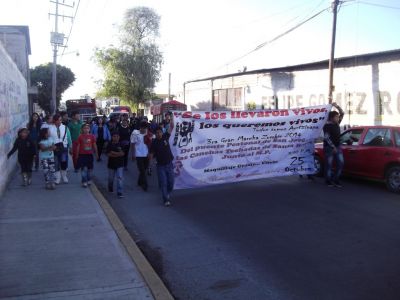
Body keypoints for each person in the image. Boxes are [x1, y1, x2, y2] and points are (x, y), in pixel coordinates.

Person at [149, 125, 174, 207]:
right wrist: (150, 162)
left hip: (169, 164)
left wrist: (173, 116)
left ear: (162, 132)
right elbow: (151, 153)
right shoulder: (154, 142)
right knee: (164, 183)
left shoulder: (166, 137)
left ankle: (167, 193)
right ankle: (165, 199)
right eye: (157, 133)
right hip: (160, 166)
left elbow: (172, 127)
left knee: (171, 182)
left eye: (160, 132)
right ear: (155, 134)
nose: (159, 134)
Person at [323, 102, 345, 187]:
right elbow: (327, 138)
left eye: (338, 117)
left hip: (338, 146)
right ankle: (328, 180)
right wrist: (333, 147)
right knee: (329, 164)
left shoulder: (337, 123)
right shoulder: (327, 126)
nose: (338, 118)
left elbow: (342, 113)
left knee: (341, 163)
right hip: (329, 148)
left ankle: (336, 179)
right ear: (332, 118)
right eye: (336, 117)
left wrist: (337, 106)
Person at [49, 114, 72, 184]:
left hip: (63, 148)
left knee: (63, 162)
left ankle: (64, 176)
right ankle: (58, 178)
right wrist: (51, 145)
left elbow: (69, 137)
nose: (60, 121)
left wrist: (70, 146)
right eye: (58, 120)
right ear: (55, 121)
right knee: (56, 163)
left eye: (60, 120)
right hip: (54, 148)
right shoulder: (50, 128)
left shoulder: (65, 127)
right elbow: (49, 138)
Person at [130, 121, 151, 191]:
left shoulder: (148, 133)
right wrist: (133, 154)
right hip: (138, 155)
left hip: (146, 154)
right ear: (140, 128)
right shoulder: (135, 133)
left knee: (144, 169)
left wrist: (150, 153)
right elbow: (132, 144)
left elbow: (150, 144)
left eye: (146, 128)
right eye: (143, 128)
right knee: (142, 170)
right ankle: (145, 185)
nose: (144, 130)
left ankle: (139, 182)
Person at [106, 132, 125, 198]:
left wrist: (113, 153)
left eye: (117, 136)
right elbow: (108, 154)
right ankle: (110, 187)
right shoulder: (109, 144)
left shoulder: (121, 144)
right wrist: (118, 154)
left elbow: (122, 153)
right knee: (110, 178)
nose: (116, 138)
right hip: (111, 164)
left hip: (120, 164)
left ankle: (120, 192)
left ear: (119, 137)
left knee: (120, 178)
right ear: (112, 137)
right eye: (114, 136)